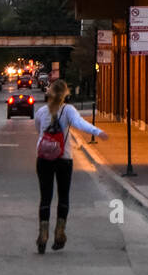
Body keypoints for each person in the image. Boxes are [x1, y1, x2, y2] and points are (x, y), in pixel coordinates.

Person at [34, 79, 108, 253]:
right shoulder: (68, 111)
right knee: (63, 195)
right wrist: (98, 132)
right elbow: (80, 124)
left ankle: (43, 234)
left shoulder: (42, 111)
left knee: (45, 196)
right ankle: (60, 232)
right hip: (64, 158)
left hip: (44, 158)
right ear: (66, 93)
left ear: (49, 93)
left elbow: (38, 130)